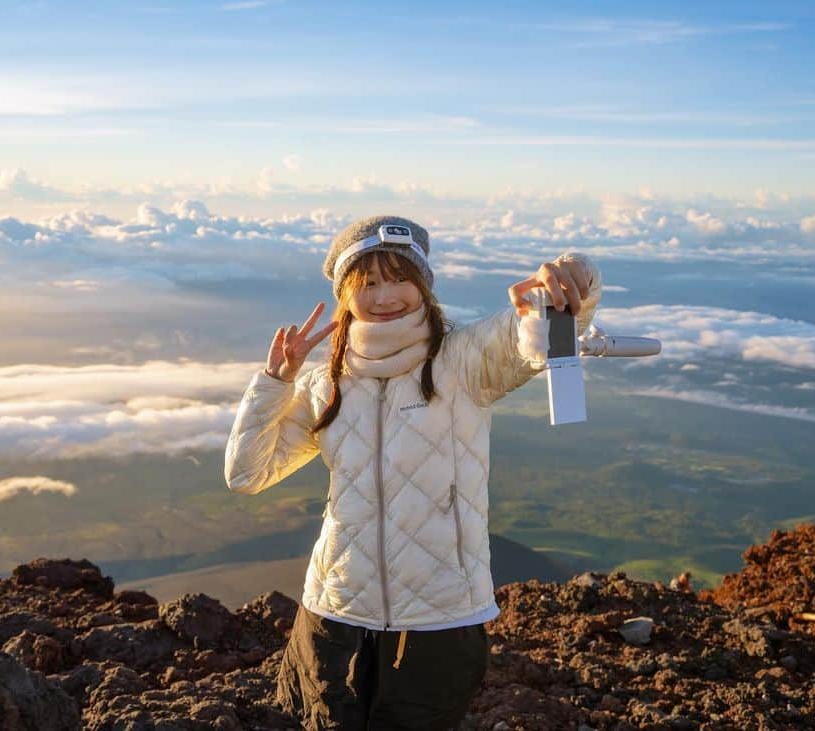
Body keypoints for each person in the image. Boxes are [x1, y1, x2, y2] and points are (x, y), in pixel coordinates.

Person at [224, 215, 602, 729]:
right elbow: (247, 474)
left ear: (423, 284)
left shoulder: (463, 360)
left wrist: (571, 276)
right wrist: (275, 382)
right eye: (369, 282)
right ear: (346, 295)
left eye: (400, 277)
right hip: (333, 616)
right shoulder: (324, 384)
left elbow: (529, 336)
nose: (386, 296)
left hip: (439, 623)